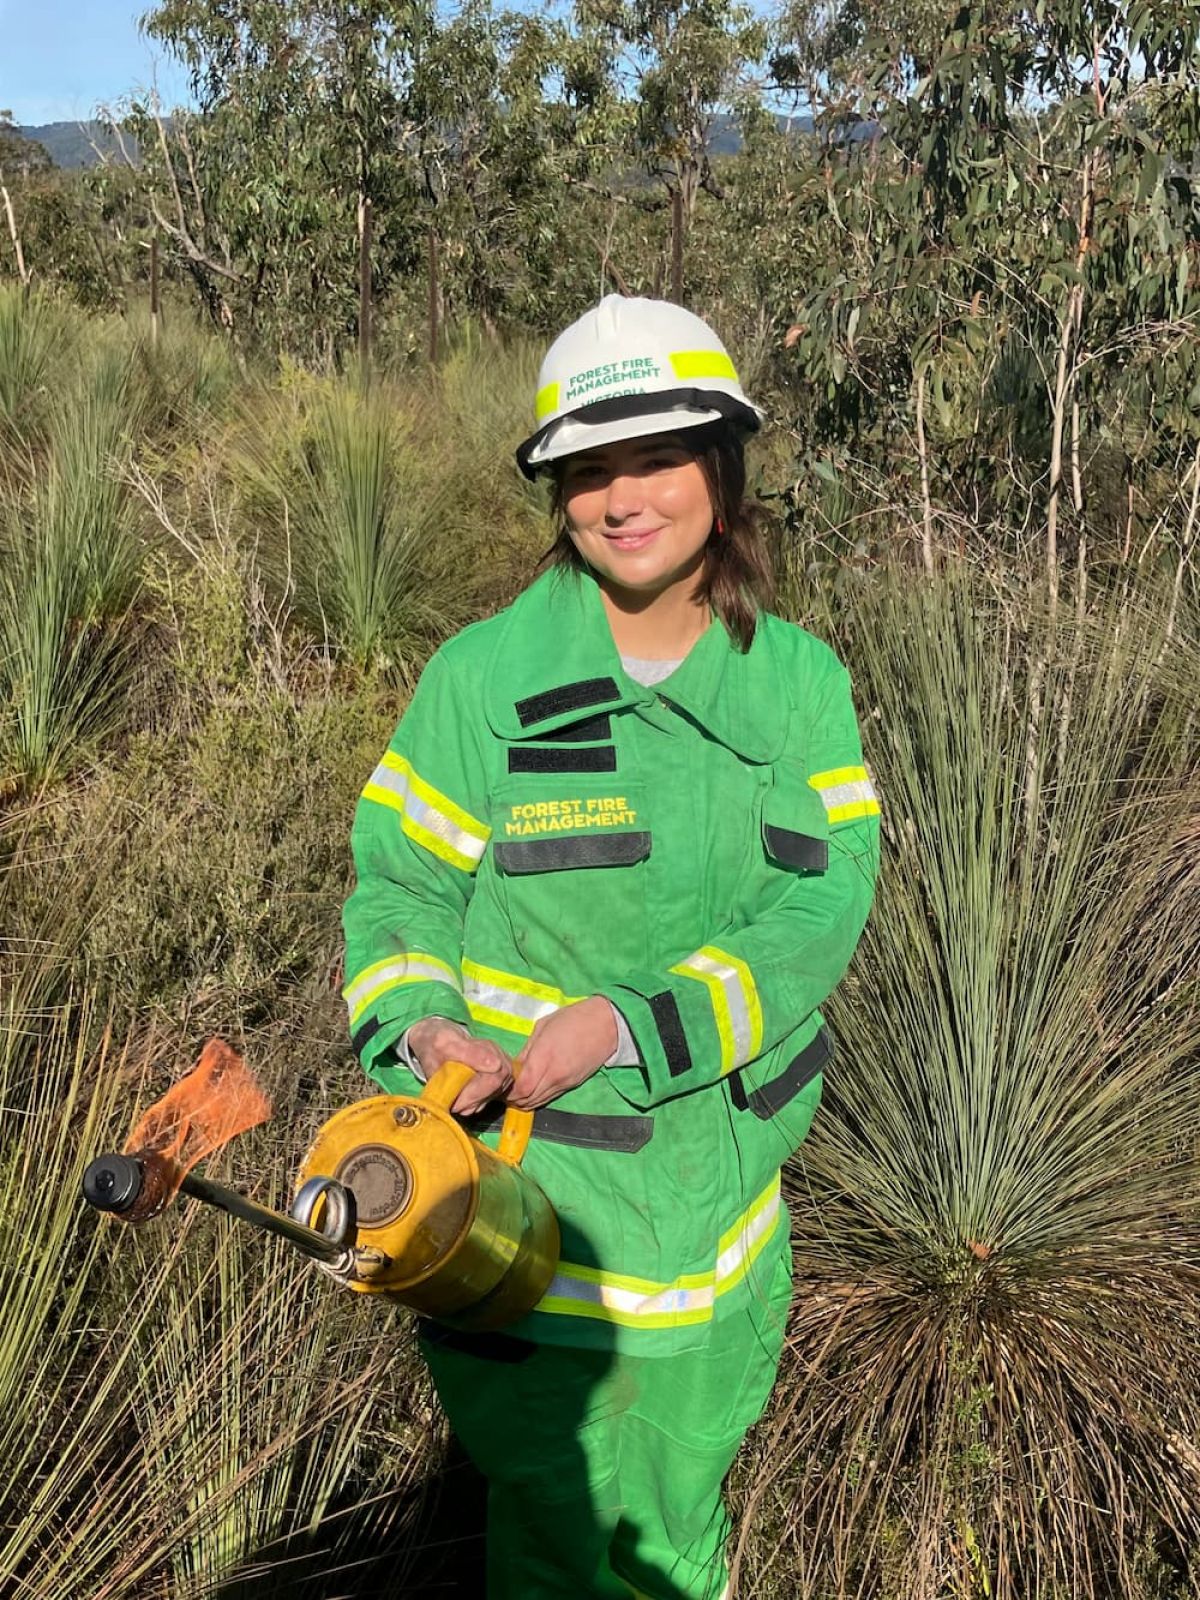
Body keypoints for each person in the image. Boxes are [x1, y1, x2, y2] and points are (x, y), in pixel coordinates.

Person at [341, 295, 880, 1599]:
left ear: (722, 465)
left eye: (656, 457)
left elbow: (816, 912)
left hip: (715, 1230)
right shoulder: (481, 686)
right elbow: (396, 888)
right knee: (548, 1542)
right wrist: (422, 1026)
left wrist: (629, 1028)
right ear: (555, 491)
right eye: (588, 468)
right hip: (527, 1238)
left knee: (674, 1541)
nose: (623, 496)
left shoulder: (796, 686)